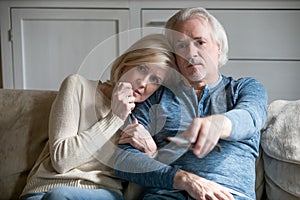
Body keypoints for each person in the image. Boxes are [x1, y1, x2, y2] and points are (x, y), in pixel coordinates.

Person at [114, 7, 268, 200]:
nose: (191, 53)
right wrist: (184, 179)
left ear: (218, 47)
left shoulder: (245, 88)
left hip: (230, 196)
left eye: (200, 42)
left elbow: (251, 116)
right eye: (181, 46)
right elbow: (124, 160)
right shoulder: (157, 96)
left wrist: (218, 124)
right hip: (166, 196)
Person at [20, 33, 177, 200]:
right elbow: (62, 161)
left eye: (155, 79)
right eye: (142, 68)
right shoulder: (77, 86)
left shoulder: (142, 122)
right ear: (126, 64)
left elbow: (131, 196)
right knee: (58, 194)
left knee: (60, 195)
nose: (143, 83)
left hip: (102, 194)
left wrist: (151, 155)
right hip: (42, 191)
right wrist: (114, 118)